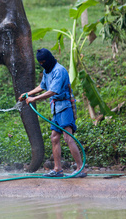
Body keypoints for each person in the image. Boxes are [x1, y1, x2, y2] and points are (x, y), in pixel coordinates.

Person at [18, 48, 87, 178]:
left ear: (49, 59)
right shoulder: (47, 71)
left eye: (44, 61)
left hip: (65, 106)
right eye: (41, 62)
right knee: (54, 138)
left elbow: (52, 91)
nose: (43, 64)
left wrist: (34, 99)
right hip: (55, 108)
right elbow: (42, 86)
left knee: (68, 137)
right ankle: (57, 169)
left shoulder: (59, 71)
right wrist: (28, 94)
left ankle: (80, 169)